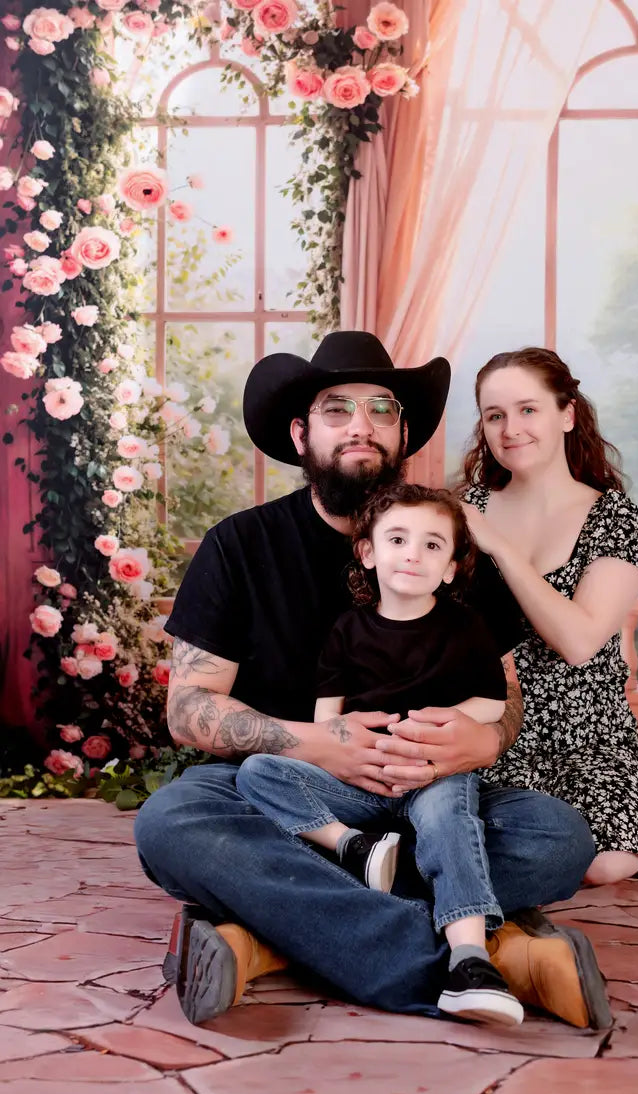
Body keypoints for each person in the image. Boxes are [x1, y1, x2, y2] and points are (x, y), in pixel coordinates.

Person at [133, 331, 611, 1032]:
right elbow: (189, 708)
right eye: (336, 409)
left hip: (427, 793)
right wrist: (316, 744)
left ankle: (270, 934)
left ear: (403, 432)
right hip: (289, 798)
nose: (361, 425)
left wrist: (481, 741)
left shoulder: (450, 544)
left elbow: (506, 696)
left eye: (381, 409)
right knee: (173, 822)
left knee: (558, 837)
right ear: (300, 435)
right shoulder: (240, 545)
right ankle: (481, 957)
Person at [238, 482, 524, 1027]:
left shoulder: (465, 628)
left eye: (433, 545)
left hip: (431, 770)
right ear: (369, 553)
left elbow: (492, 701)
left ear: (450, 568)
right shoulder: (347, 630)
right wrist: (347, 745)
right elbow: (326, 722)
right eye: (397, 538)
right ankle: (353, 847)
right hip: (359, 782)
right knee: (258, 771)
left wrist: (436, 729)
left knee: (456, 815)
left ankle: (468, 959)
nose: (413, 553)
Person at [461, 346, 638, 885]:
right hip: (491, 730)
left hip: (589, 740)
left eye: (528, 410)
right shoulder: (465, 510)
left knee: (604, 863)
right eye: (494, 415)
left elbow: (579, 642)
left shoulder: (612, 516)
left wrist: (499, 547)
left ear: (566, 414)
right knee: (473, 831)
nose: (511, 429)